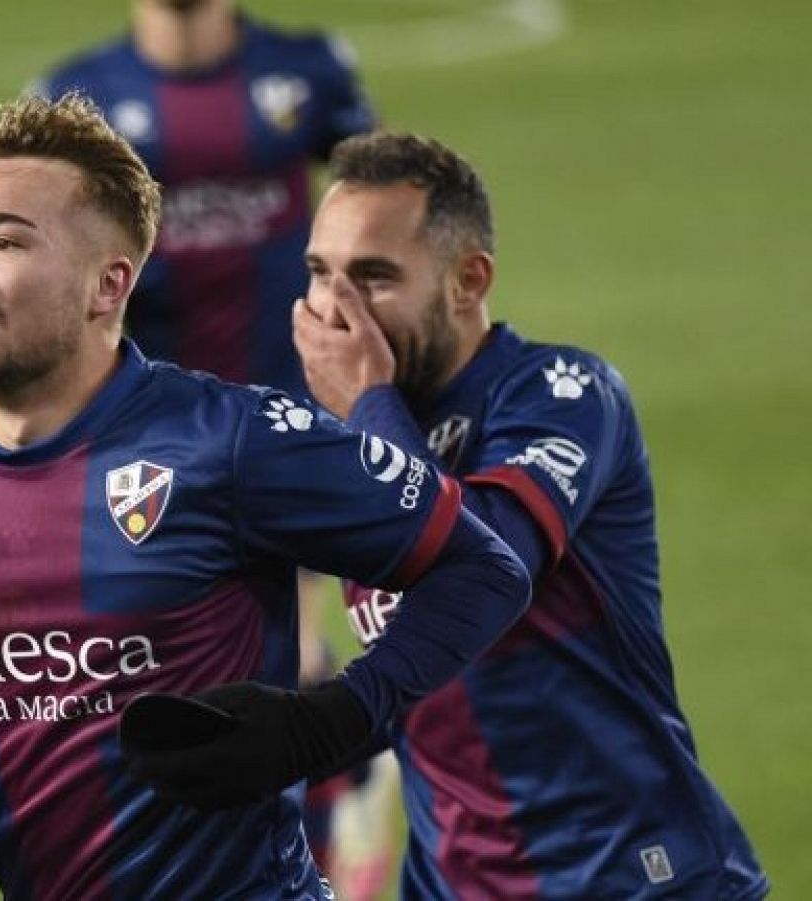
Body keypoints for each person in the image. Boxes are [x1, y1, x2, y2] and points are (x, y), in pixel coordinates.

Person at [0, 94, 531, 900]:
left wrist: (328, 722)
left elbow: (482, 567)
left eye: (5, 240)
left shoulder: (227, 441)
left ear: (110, 284)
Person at [285, 131, 769, 898]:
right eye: (320, 273)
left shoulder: (562, 394)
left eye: (373, 278)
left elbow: (482, 556)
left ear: (468, 282)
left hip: (636, 879)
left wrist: (367, 402)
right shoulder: (333, 432)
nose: (337, 311)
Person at [40, 9, 394, 884]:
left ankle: (323, 816)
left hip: (291, 429)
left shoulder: (306, 68)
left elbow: (386, 208)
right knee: (157, 681)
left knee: (281, 663)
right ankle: (338, 779)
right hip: (144, 449)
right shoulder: (78, 97)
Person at [37, 0, 375, 392]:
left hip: (303, 401)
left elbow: (385, 190)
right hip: (151, 413)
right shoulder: (76, 96)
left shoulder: (310, 69)